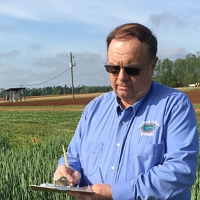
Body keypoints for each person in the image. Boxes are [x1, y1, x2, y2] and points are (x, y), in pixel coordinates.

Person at [54, 23, 199, 200]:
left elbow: (179, 171)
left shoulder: (174, 106)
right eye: (113, 68)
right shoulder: (94, 109)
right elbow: (72, 156)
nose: (121, 77)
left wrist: (115, 194)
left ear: (152, 65)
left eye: (132, 69)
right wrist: (66, 172)